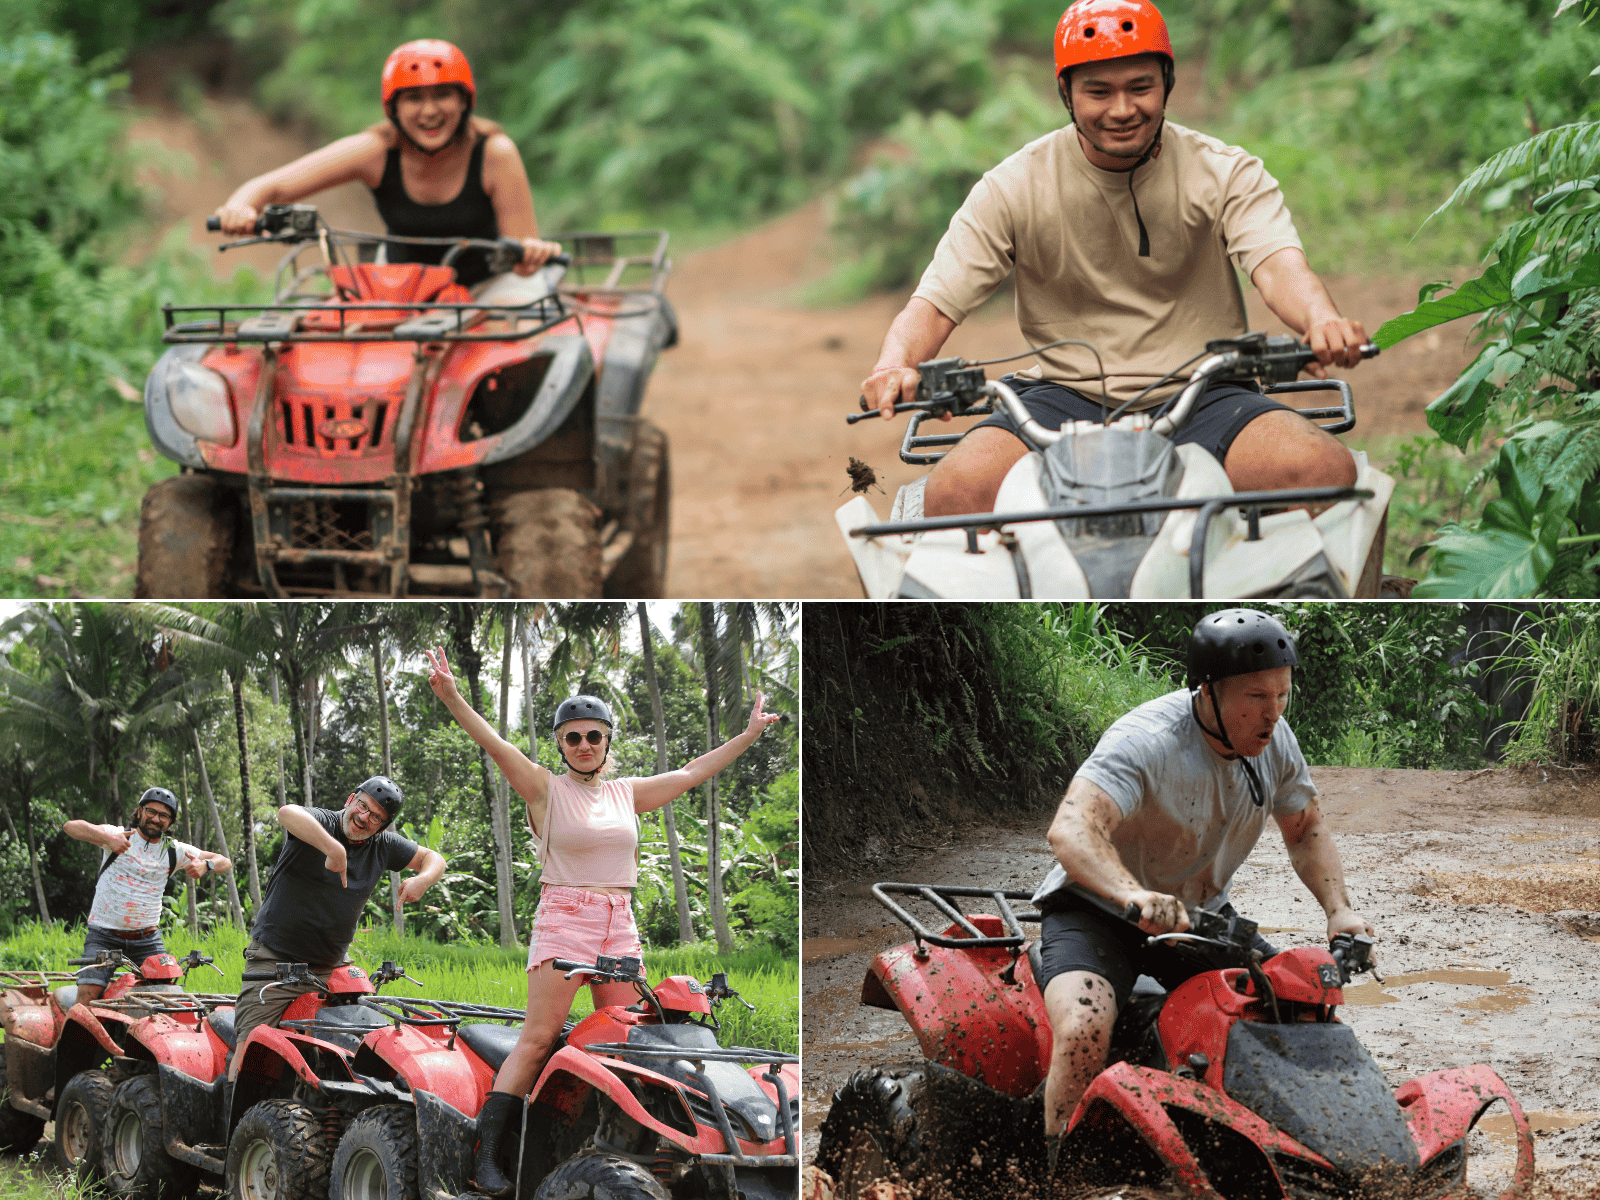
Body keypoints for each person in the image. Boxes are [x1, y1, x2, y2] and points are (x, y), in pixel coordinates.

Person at [860, 0, 1370, 519]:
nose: (1122, 109)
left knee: (1320, 471)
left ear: (1167, 84)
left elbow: (1278, 266)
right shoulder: (1012, 186)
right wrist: (894, 363)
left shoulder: (1223, 171)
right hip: (1060, 396)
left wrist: (1321, 319)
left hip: (1204, 392)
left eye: (1140, 87)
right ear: (1066, 93)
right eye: (1098, 91)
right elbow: (935, 302)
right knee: (954, 494)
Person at [423, 647, 782, 1196]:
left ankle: (612, 1149)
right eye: (574, 737)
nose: (585, 745)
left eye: (594, 736)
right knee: (540, 1036)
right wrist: (450, 695)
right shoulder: (545, 788)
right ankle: (487, 1152)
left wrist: (750, 735)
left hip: (620, 920)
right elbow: (493, 744)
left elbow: (691, 773)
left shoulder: (625, 793)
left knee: (625, 1042)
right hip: (565, 915)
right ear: (561, 744)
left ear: (608, 741)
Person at [1033, 608, 1374, 1175]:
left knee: (1295, 1007)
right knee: (1084, 1027)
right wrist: (1131, 894)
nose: (1272, 714)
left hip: (1196, 920)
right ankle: (1058, 1171)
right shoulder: (1146, 741)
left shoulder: (1276, 743)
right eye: (1256, 697)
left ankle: (1298, 1161)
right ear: (1209, 693)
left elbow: (1306, 826)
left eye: (1283, 696)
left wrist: (1340, 911)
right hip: (1096, 909)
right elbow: (1070, 829)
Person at [211, 39, 561, 289]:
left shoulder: (495, 154)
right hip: (398, 286)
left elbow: (522, 257)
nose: (429, 111)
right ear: (393, 108)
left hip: (489, 287)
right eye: (413, 98)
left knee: (523, 351)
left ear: (464, 101)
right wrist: (241, 206)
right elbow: (274, 186)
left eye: (442, 95)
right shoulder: (375, 151)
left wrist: (531, 256)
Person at [231, 776, 446, 1045]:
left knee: (359, 1041)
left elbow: (434, 858)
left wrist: (423, 879)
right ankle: (233, 1085)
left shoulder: (383, 845)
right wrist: (332, 848)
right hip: (276, 961)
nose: (364, 817)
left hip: (331, 966)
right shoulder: (323, 822)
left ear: (383, 827)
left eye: (376, 817)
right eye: (363, 805)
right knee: (252, 1046)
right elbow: (287, 812)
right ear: (350, 800)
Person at [62, 788, 233, 1003]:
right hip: (104, 936)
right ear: (140, 811)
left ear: (170, 822)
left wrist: (206, 865)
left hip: (147, 940)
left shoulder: (173, 850)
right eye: (151, 811)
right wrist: (107, 838)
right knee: (88, 995)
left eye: (164, 816)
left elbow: (224, 861)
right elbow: (71, 827)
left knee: (166, 999)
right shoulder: (117, 834)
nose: (156, 819)